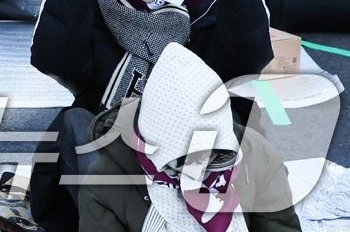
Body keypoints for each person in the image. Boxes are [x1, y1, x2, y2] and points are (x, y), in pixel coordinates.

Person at [29, 0, 271, 231]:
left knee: (238, 124)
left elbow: (247, 60)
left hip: (191, 161)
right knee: (74, 123)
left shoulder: (204, 6)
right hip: (116, 159)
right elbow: (52, 57)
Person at [76, 44, 300, 231]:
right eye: (184, 162)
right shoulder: (105, 185)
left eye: (216, 157)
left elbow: (280, 227)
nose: (200, 172)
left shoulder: (256, 154)